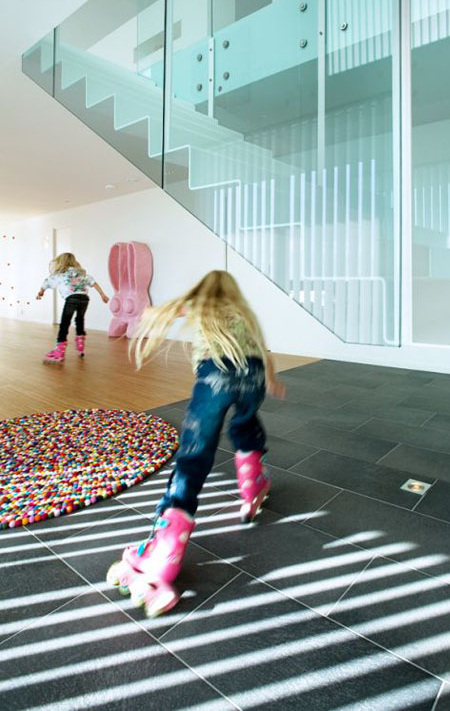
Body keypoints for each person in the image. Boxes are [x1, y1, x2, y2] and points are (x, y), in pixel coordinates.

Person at [107, 269, 285, 617]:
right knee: (245, 424)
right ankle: (252, 487)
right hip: (254, 377)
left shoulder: (199, 303)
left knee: (195, 452)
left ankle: (165, 547)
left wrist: (136, 312)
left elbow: (152, 313)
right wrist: (273, 381)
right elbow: (265, 353)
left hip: (215, 374)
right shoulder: (244, 315)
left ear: (204, 290)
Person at [36, 252, 109, 363]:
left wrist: (41, 292)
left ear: (60, 263)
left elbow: (47, 282)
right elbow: (94, 283)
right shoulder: (81, 274)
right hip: (84, 298)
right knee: (79, 320)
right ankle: (80, 346)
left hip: (71, 299)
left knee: (65, 324)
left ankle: (59, 351)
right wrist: (102, 294)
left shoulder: (60, 274)